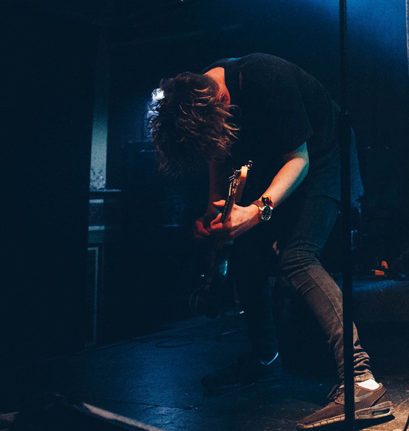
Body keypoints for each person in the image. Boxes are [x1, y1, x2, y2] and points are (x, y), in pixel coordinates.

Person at [151, 53, 392, 429]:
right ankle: (265, 359)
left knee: (298, 256)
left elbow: (299, 160)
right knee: (246, 252)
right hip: (281, 165)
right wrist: (214, 210)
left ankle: (362, 381)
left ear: (223, 100)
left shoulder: (267, 78)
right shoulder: (206, 96)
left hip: (324, 159)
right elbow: (218, 153)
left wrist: (255, 211)